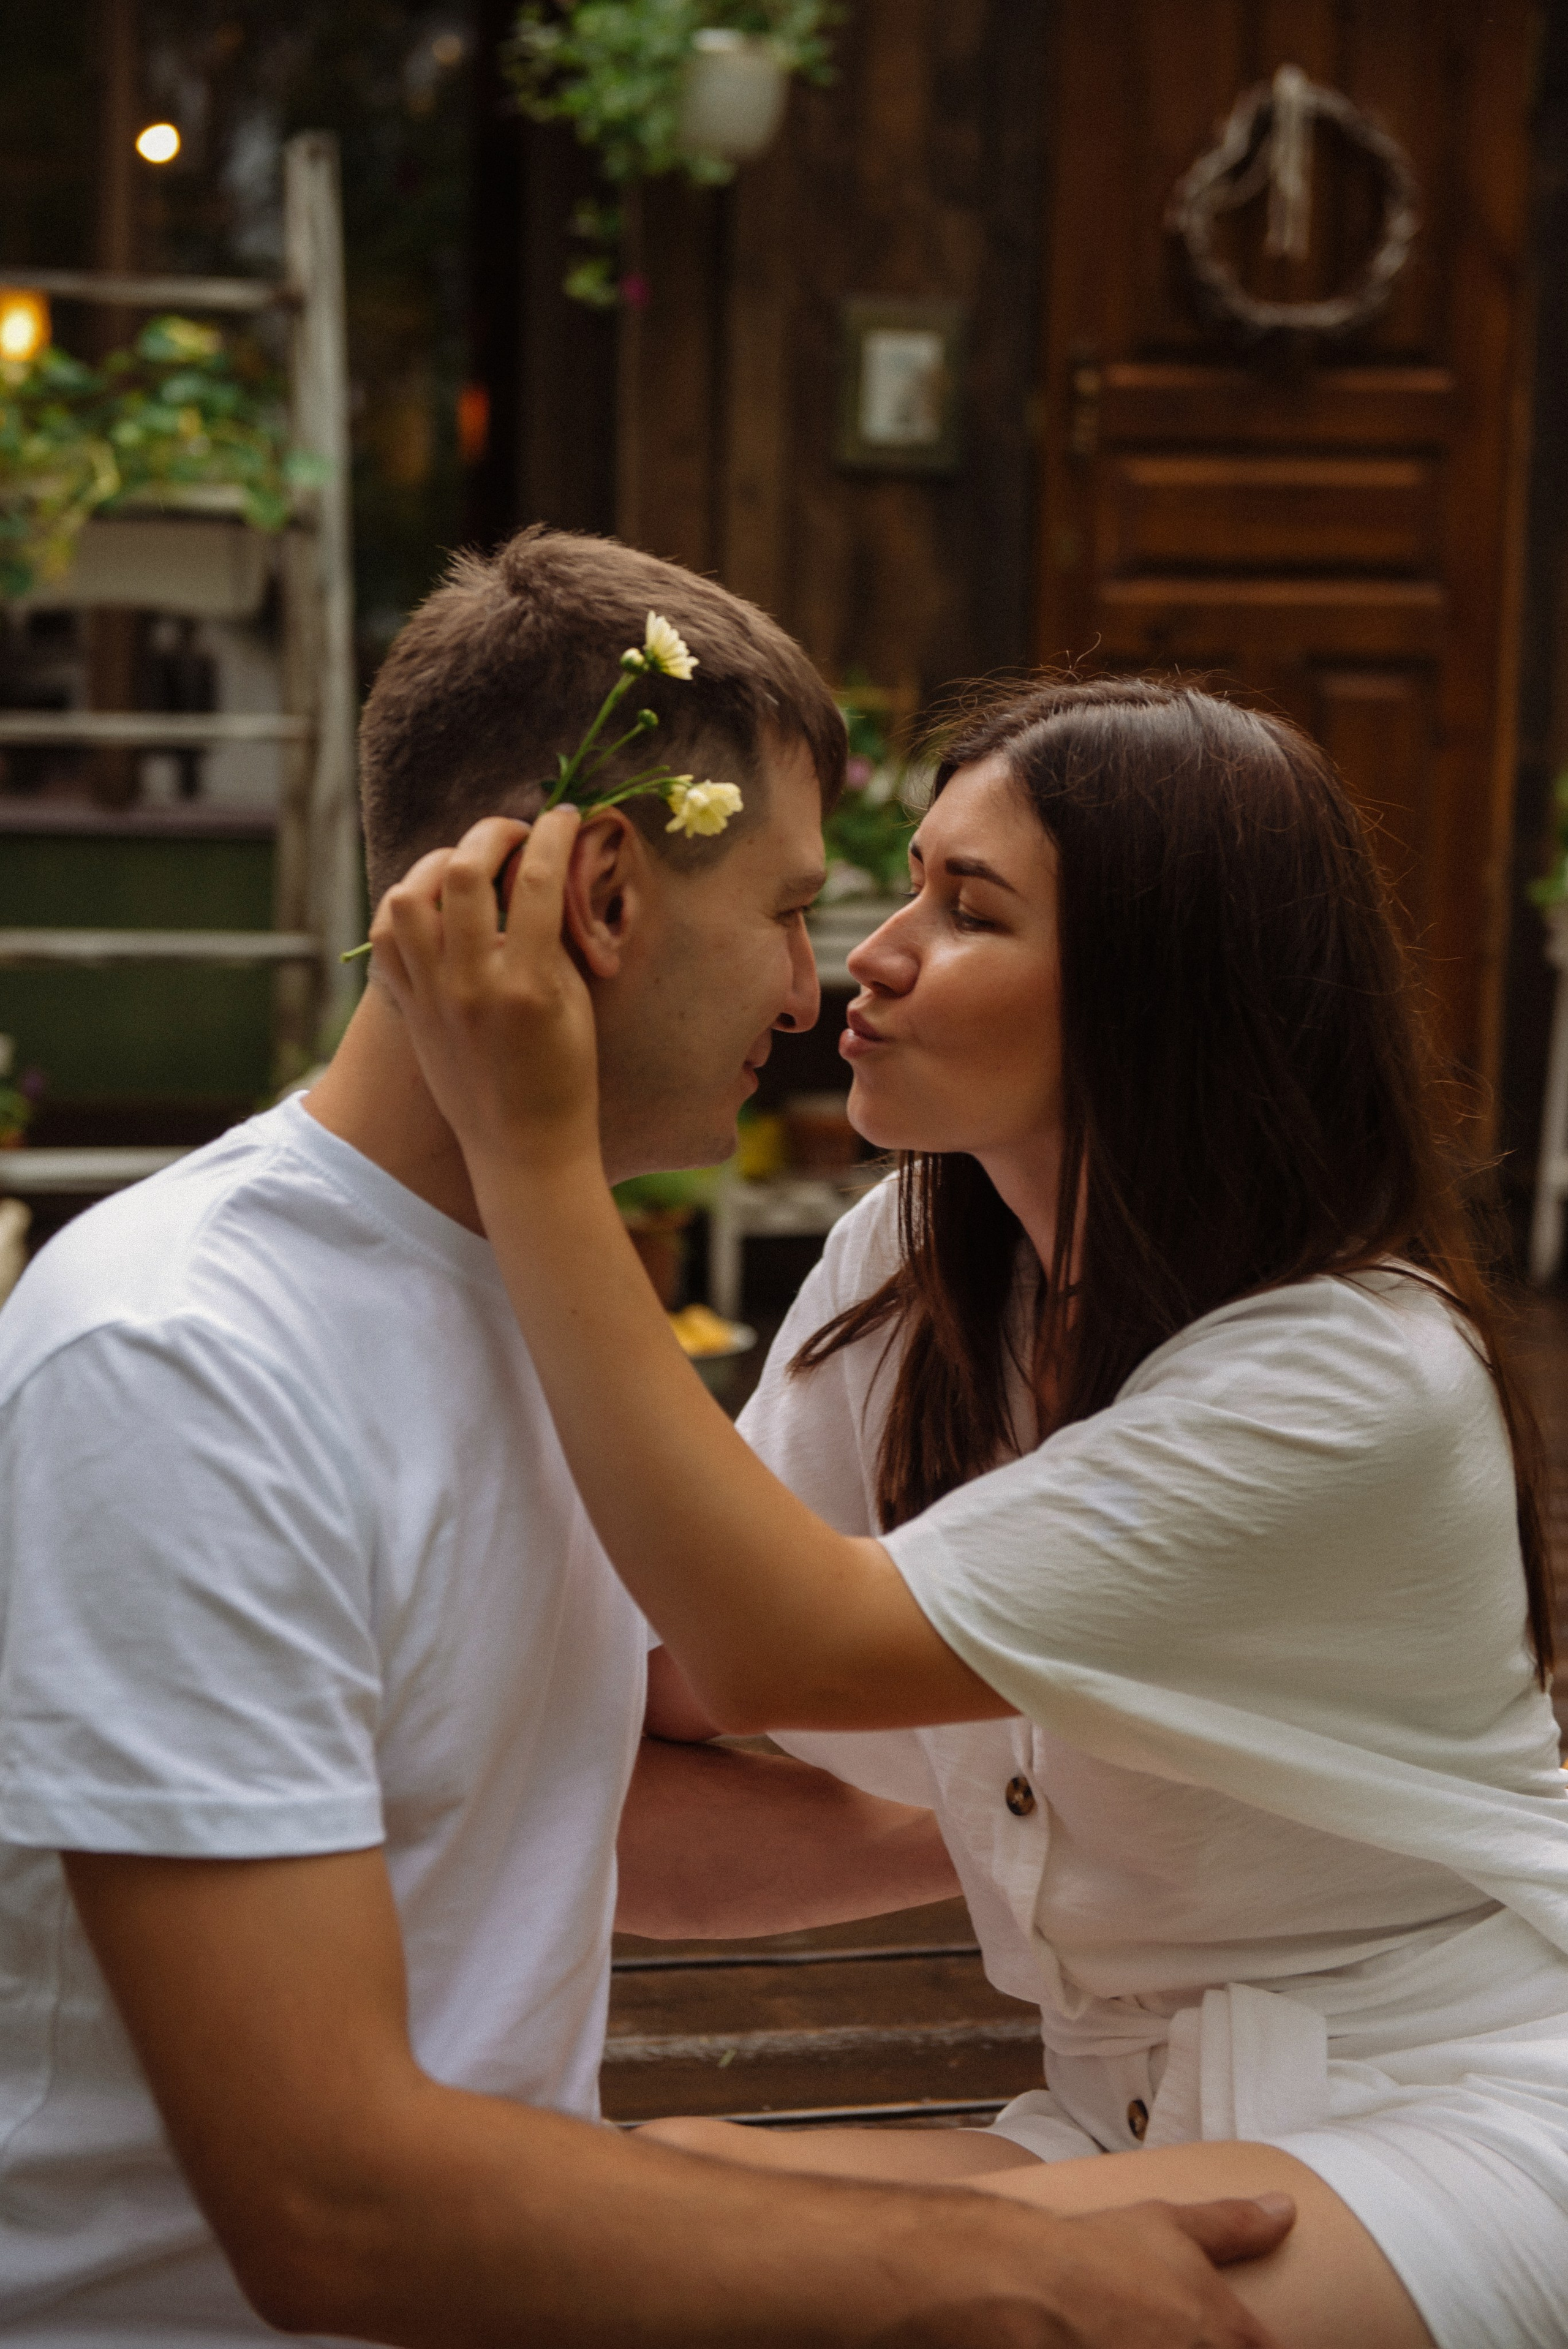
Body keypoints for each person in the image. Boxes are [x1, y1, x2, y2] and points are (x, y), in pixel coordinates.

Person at [0, 541, 1294, 2349]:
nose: (810, 982)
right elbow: (324, 2203)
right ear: (600, 890)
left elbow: (599, 1797)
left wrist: (1088, 1822)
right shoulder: (185, 1354)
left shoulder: (550, 1289)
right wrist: (995, 2260)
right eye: (783, 908)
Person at [368, 673, 1568, 2349]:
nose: (877, 945)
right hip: (1117, 2113)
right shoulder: (916, 1278)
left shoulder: (1354, 1381)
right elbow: (663, 1696)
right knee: (656, 2189)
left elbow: (788, 1644)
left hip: (1451, 2109)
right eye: (909, 881)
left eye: (969, 908)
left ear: (1161, 997)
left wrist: (536, 1150)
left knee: (761, 2299)